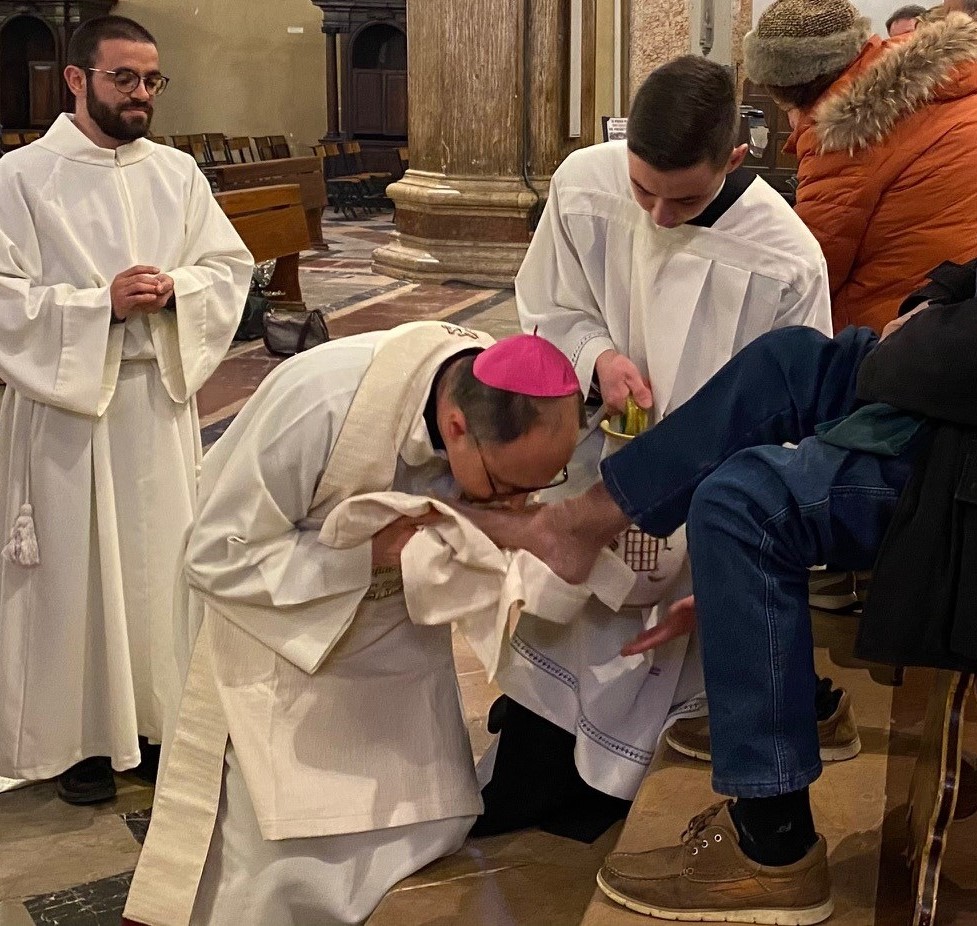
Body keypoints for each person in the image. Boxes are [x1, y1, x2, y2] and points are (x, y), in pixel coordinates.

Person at [461, 258, 977, 922]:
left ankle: (772, 846)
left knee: (741, 506)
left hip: (958, 451)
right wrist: (927, 309)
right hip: (948, 395)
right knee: (784, 362)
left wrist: (913, 344)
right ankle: (583, 524)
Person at [121, 323, 630, 926]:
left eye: (535, 487)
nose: (515, 506)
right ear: (457, 427)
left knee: (420, 820)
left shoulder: (497, 391)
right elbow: (215, 555)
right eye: (503, 486)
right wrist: (363, 555)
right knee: (283, 855)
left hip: (393, 639)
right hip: (282, 627)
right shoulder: (323, 404)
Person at [477, 54, 833, 839]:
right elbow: (548, 304)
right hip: (589, 455)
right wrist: (596, 356)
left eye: (685, 197)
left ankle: (627, 798)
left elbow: (792, 416)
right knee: (562, 626)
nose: (658, 218)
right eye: (642, 190)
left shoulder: (785, 257)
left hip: (698, 501)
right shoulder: (584, 181)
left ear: (735, 158)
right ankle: (534, 770)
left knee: (656, 659)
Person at [0, 15, 253, 804]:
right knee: (73, 578)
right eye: (124, 79)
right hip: (67, 403)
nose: (142, 94)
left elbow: (228, 264)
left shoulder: (176, 173)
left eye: (152, 80)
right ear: (76, 80)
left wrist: (182, 289)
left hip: (155, 401)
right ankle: (75, 740)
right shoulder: (21, 178)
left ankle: (150, 720)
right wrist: (97, 306)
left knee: (158, 569)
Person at [744, 0, 977, 333]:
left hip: (895, 337)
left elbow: (806, 272)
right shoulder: (943, 77)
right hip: (959, 308)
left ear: (786, 89)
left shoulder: (846, 135)